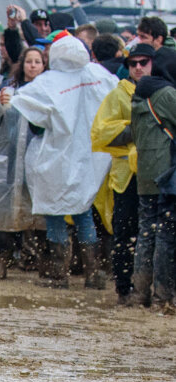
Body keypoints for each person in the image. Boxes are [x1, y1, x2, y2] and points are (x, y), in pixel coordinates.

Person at [11, 31, 116, 288]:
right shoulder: (98, 76)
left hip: (54, 157)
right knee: (83, 212)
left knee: (54, 213)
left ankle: (59, 274)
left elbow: (26, 107)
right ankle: (93, 273)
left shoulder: (47, 82)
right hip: (88, 156)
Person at [91, 43, 152, 304]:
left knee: (151, 234)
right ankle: (124, 288)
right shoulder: (117, 95)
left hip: (153, 173)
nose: (138, 67)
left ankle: (147, 288)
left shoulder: (163, 92)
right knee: (124, 232)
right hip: (125, 174)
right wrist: (136, 127)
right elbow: (100, 132)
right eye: (133, 63)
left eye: (143, 62)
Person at [0, 45, 46, 278]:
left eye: (38, 62)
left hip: (37, 165)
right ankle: (1, 263)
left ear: (44, 66)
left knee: (38, 216)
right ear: (22, 64)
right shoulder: (9, 91)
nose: (33, 66)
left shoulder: (48, 93)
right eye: (29, 61)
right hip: (6, 164)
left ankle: (37, 263)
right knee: (1, 218)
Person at [129, 47, 176, 312]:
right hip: (167, 177)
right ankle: (162, 297)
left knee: (146, 234)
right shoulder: (167, 94)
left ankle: (139, 295)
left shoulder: (140, 93)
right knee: (166, 237)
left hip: (146, 174)